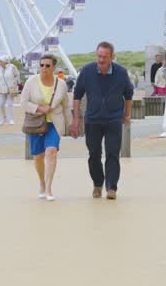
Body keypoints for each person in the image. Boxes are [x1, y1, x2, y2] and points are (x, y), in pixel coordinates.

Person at [70, 41, 135, 200]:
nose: (101, 60)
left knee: (113, 153)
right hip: (92, 120)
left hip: (113, 119)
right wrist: (76, 119)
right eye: (99, 56)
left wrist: (126, 115)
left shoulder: (121, 72)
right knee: (94, 154)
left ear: (112, 57)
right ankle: (97, 184)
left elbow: (128, 95)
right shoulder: (87, 71)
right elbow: (77, 95)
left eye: (105, 57)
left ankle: (111, 187)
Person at [21, 53, 72, 201]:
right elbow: (23, 103)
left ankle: (49, 188)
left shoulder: (61, 84)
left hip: (54, 123)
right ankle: (42, 184)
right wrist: (38, 108)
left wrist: (71, 125)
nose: (44, 68)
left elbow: (66, 106)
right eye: (42, 65)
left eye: (47, 65)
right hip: (36, 123)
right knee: (38, 156)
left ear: (54, 67)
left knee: (51, 152)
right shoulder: (31, 82)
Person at [0, 57, 21, 125]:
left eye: (1, 61)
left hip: (11, 88)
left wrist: (15, 83)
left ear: (5, 61)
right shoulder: (0, 68)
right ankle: (4, 118)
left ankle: (11, 119)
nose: (0, 63)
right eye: (0, 62)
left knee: (10, 104)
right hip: (2, 88)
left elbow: (17, 75)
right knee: (1, 104)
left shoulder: (12, 67)